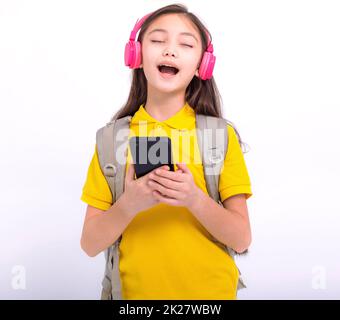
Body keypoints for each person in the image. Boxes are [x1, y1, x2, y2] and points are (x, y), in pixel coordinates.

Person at [80, 3, 253, 300]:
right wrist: (129, 203)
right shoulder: (112, 140)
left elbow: (241, 239)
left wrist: (194, 198)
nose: (170, 50)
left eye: (186, 44)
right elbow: (90, 244)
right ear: (136, 55)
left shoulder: (219, 137)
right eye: (158, 40)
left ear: (203, 64)